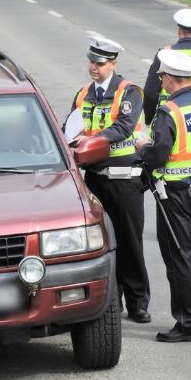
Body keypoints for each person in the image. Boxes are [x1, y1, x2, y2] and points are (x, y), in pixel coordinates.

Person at [68, 36, 151, 323]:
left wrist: (91, 141)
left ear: (113, 63)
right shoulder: (82, 94)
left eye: (100, 63)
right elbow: (71, 128)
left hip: (124, 180)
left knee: (129, 242)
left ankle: (138, 302)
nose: (94, 67)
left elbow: (124, 127)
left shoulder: (128, 93)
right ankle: (110, 303)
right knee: (100, 244)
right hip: (95, 180)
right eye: (91, 62)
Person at [139, 49, 191, 343]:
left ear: (170, 78)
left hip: (175, 191)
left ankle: (188, 322)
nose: (160, 80)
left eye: (162, 76)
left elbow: (158, 155)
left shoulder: (169, 112)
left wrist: (141, 148)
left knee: (178, 255)